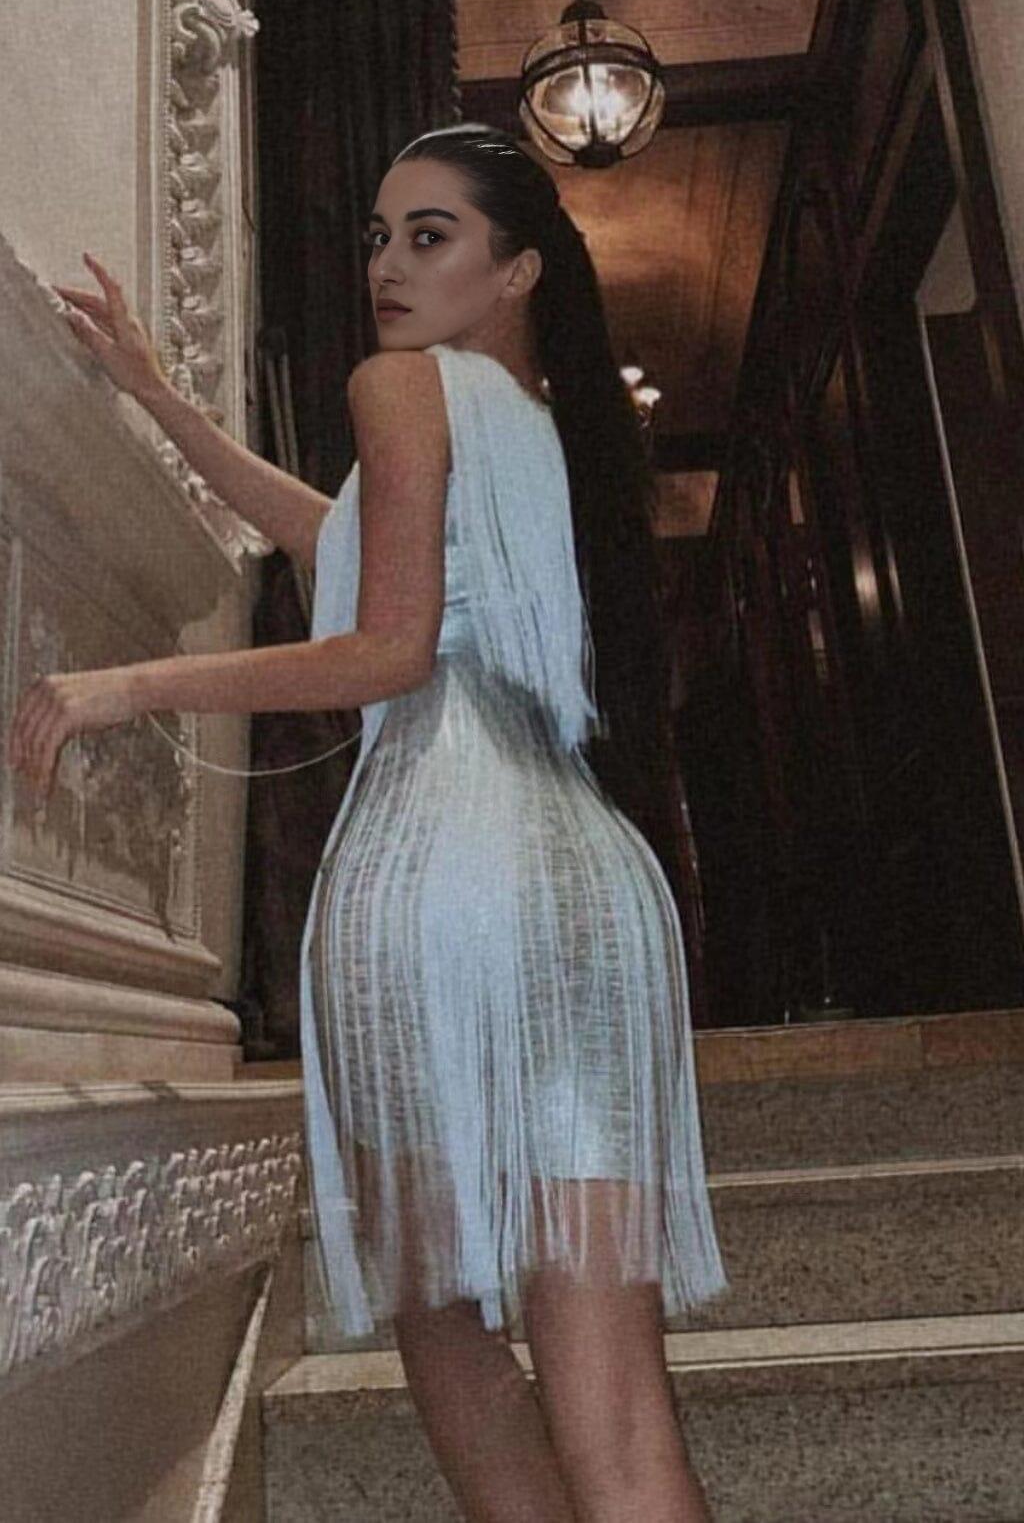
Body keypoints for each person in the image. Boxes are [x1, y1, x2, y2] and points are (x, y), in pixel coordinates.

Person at [8, 122, 730, 1522]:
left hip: (440, 873)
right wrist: (159, 396)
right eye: (380, 238)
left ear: (517, 268)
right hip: (587, 890)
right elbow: (336, 540)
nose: (389, 266)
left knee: (442, 1316)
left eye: (430, 236)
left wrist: (128, 686)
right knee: (620, 1405)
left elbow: (389, 648)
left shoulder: (401, 387)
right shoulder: (553, 430)